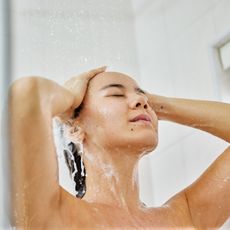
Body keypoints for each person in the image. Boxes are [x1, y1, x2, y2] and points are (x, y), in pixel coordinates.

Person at [9, 66, 230, 229]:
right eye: (116, 94)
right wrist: (71, 98)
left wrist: (157, 106)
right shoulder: (55, 215)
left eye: (143, 97)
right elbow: (28, 95)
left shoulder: (184, 218)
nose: (140, 101)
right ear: (75, 129)